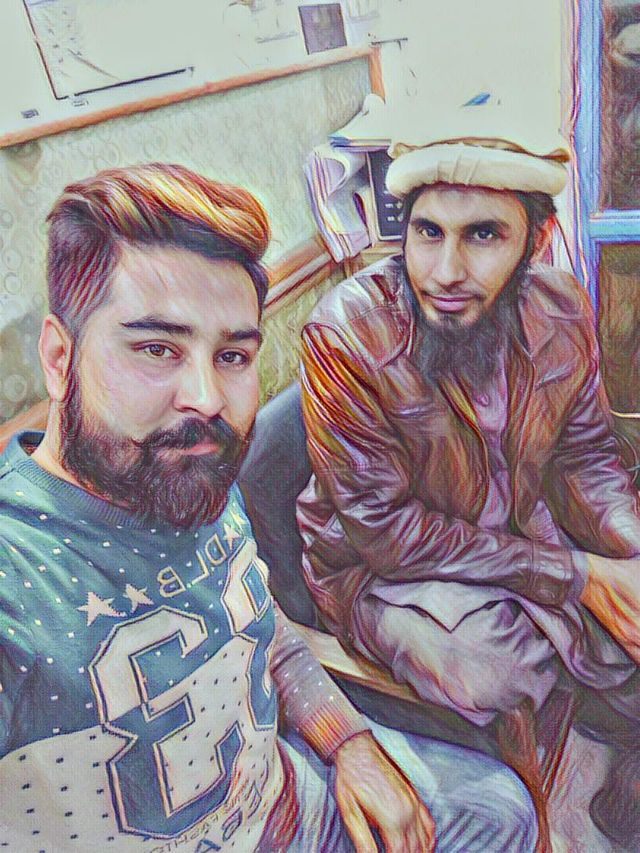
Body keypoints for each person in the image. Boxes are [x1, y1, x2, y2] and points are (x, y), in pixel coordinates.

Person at [0, 163, 537, 853]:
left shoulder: (189, 474)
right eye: (156, 349)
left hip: (292, 801)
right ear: (59, 357)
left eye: (232, 355)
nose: (206, 399)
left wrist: (348, 740)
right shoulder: (18, 569)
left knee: (503, 811)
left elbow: (258, 627)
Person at [297, 133, 640, 848]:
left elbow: (586, 457)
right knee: (489, 666)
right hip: (383, 571)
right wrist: (576, 576)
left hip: (518, 530)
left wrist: (629, 556)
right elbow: (383, 532)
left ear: (536, 240)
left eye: (483, 235)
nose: (446, 271)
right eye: (428, 233)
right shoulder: (345, 333)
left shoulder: (562, 307)